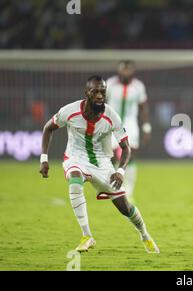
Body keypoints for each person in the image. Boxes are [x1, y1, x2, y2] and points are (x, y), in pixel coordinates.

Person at [39, 75, 159, 254]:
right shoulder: (69, 111)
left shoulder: (112, 116)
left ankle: (144, 235)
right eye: (95, 92)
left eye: (103, 92)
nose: (100, 96)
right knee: (74, 178)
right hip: (75, 158)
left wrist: (120, 171)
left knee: (125, 207)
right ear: (86, 93)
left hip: (102, 163)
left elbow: (126, 148)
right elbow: (48, 128)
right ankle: (87, 236)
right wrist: (44, 159)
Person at [106, 60, 151, 201]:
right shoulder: (110, 84)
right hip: (112, 123)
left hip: (130, 124)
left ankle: (128, 193)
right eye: (123, 70)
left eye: (128, 70)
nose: (126, 73)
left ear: (132, 71)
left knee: (130, 156)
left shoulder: (138, 86)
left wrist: (146, 127)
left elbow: (143, 107)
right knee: (112, 156)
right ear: (119, 71)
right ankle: (113, 189)